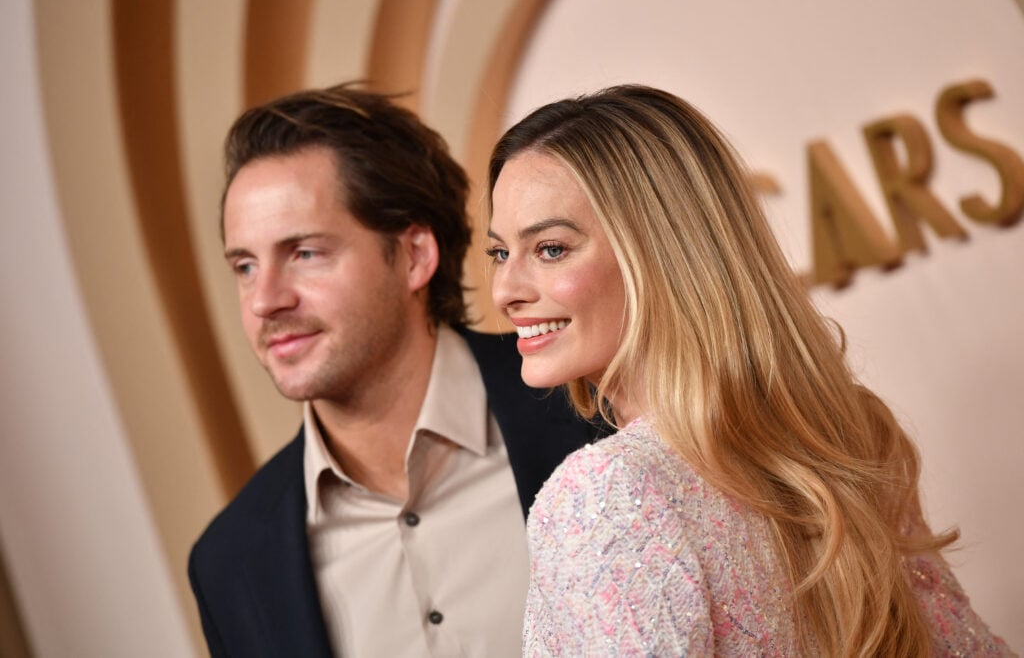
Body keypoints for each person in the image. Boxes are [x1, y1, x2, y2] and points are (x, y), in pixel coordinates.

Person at [486, 84, 1016, 656]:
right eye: (499, 253)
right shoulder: (847, 433)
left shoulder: (607, 495)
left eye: (551, 249)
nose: (505, 291)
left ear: (661, 253)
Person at [187, 83, 604, 658]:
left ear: (414, 255)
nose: (265, 301)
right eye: (245, 266)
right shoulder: (228, 565)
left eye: (304, 253)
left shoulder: (597, 399)